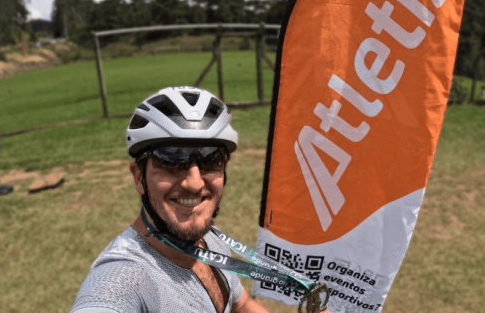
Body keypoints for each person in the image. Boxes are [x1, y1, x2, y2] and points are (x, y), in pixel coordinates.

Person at [70, 86, 326, 313]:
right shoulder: (124, 278)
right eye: (171, 160)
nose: (194, 182)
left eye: (210, 160)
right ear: (139, 177)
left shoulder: (209, 239)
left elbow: (240, 305)